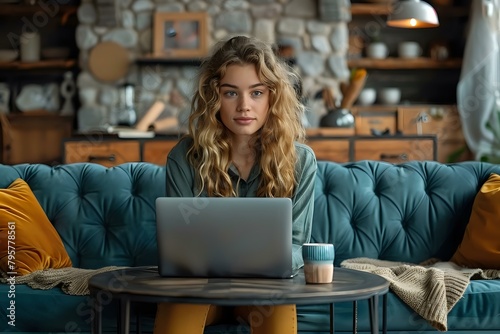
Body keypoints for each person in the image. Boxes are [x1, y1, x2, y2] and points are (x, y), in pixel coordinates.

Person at [154, 35, 317, 334]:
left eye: (256, 93)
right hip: (200, 291)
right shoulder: (184, 157)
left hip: (264, 292)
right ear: (214, 98)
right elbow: (177, 249)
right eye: (231, 93)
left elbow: (296, 246)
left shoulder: (300, 160)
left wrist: (258, 262)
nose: (244, 106)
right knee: (179, 303)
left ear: (272, 97)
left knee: (277, 307)